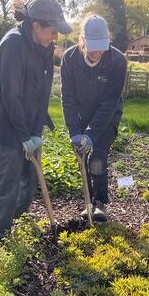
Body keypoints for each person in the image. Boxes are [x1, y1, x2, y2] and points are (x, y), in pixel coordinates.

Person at [0, 0, 72, 241]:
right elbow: (11, 97)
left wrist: (35, 133)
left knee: (29, 181)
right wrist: (23, 136)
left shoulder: (45, 48)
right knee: (7, 187)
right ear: (36, 26)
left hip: (28, 127)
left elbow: (43, 93)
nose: (55, 37)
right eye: (53, 31)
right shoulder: (12, 45)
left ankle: (16, 219)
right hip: (5, 126)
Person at [61, 14, 127, 222]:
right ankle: (87, 201)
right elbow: (68, 99)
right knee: (82, 157)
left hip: (106, 119)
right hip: (81, 115)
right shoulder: (69, 59)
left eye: (102, 46)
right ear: (82, 40)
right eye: (93, 46)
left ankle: (99, 203)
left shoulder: (117, 61)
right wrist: (75, 132)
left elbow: (109, 103)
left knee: (97, 157)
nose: (98, 51)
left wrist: (91, 133)